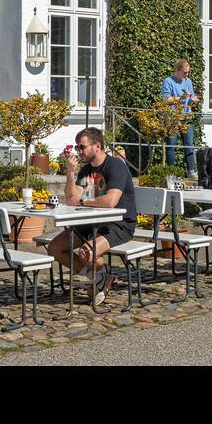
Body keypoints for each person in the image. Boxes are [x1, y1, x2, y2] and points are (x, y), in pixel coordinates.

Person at [47, 127, 137, 306]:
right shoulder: (86, 170)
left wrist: (85, 202)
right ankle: (100, 276)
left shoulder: (116, 166)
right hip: (90, 223)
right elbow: (72, 200)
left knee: (86, 254)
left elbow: (110, 201)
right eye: (77, 147)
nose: (78, 151)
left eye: (82, 147)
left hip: (119, 224)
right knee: (54, 248)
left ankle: (100, 276)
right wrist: (70, 173)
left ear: (96, 146)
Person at [160, 59, 198, 177]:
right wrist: (180, 98)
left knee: (189, 145)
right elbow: (165, 100)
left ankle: (191, 171)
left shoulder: (188, 81)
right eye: (185, 72)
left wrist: (193, 99)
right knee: (171, 145)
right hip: (173, 118)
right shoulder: (168, 81)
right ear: (177, 70)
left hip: (187, 117)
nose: (187, 75)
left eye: (188, 72)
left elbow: (191, 95)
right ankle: (171, 172)